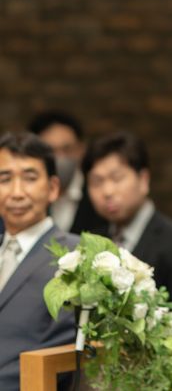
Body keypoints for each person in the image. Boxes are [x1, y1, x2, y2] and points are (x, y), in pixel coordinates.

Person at [82, 131, 172, 336]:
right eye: (96, 182)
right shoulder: (93, 241)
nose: (107, 191)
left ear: (143, 179)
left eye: (117, 178)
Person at [0, 132, 78, 391]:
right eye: (5, 179)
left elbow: (66, 350)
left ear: (53, 188)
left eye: (30, 178)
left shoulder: (75, 257)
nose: (17, 193)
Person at [28, 110, 106, 234]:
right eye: (50, 150)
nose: (60, 157)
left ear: (81, 150)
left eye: (67, 149)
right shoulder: (28, 195)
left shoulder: (99, 193)